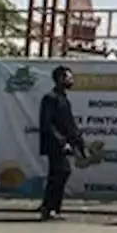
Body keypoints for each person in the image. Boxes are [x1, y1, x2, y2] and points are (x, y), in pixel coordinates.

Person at [38, 65, 84, 221]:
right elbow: (48, 124)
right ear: (60, 79)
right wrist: (61, 142)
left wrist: (79, 143)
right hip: (55, 144)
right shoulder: (50, 98)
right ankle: (49, 208)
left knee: (58, 174)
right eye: (69, 77)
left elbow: (69, 125)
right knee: (61, 172)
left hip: (63, 144)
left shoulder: (63, 98)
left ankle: (51, 208)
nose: (72, 80)